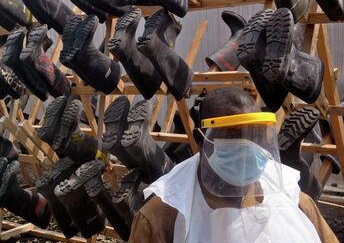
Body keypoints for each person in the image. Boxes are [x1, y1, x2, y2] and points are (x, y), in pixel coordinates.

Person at [128, 88, 337, 243]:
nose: (248, 149)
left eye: (256, 136)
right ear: (200, 141)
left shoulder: (294, 201)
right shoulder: (163, 216)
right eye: (233, 136)